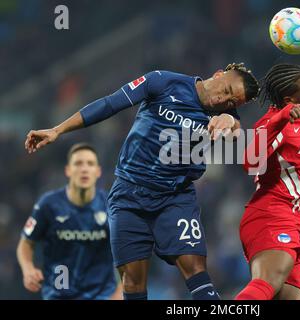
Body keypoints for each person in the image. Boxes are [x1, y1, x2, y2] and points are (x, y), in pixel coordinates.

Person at [24, 63, 260, 300]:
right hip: (128, 195)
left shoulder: (223, 115)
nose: (223, 98)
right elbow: (109, 104)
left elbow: (235, 130)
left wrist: (230, 121)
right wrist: (58, 130)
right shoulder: (163, 81)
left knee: (196, 270)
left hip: (175, 197)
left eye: (232, 102)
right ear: (219, 74)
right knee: (133, 282)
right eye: (227, 89)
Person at [235, 63, 300, 300]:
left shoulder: (298, 123)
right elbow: (250, 162)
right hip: (272, 217)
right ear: (290, 99)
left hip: (297, 226)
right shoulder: (275, 121)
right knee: (265, 284)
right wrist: (281, 118)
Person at [17, 143, 122, 300]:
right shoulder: (48, 205)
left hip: (101, 295)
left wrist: (121, 291)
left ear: (98, 171)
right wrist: (28, 269)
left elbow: (128, 255)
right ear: (68, 170)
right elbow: (26, 243)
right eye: (78, 163)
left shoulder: (111, 206)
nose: (84, 169)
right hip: (58, 294)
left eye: (90, 164)